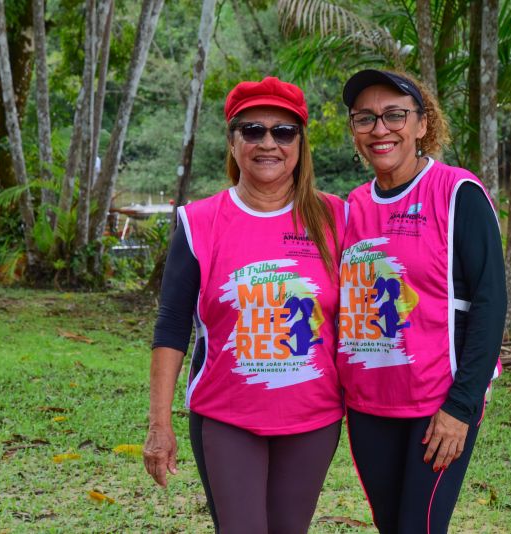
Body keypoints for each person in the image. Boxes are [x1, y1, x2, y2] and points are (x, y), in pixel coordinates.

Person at [143, 77, 346, 534]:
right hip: (227, 416)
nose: (268, 142)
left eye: (283, 131)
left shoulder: (336, 217)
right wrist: (159, 425)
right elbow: (173, 326)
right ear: (233, 143)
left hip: (312, 418)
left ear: (300, 142)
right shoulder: (198, 222)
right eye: (252, 130)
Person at [337, 69, 506, 533]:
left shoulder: (457, 193)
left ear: (421, 124)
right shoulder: (352, 206)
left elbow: (491, 303)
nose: (380, 129)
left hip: (438, 403)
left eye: (395, 115)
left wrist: (461, 407)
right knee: (391, 525)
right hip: (369, 404)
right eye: (365, 118)